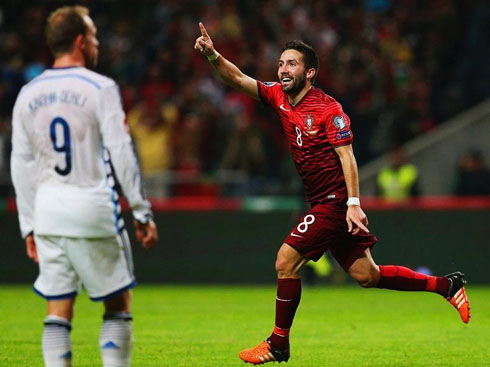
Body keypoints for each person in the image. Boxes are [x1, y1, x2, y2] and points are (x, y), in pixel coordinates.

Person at [194, 22, 470, 365]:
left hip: (334, 203)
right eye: (280, 63)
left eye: (291, 64)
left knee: (285, 261)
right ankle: (447, 286)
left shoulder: (328, 110)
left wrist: (353, 204)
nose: (282, 70)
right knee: (367, 276)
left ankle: (278, 343)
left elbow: (347, 157)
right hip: (322, 202)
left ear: (310, 73)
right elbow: (236, 79)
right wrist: (212, 54)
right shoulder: (279, 97)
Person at [10, 6, 158, 367]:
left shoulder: (28, 93)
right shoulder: (99, 87)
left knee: (58, 307)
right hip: (92, 208)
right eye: (92, 35)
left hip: (47, 212)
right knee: (118, 304)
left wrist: (28, 224)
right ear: (79, 41)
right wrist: (140, 209)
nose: (97, 42)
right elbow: (121, 151)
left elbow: (21, 164)